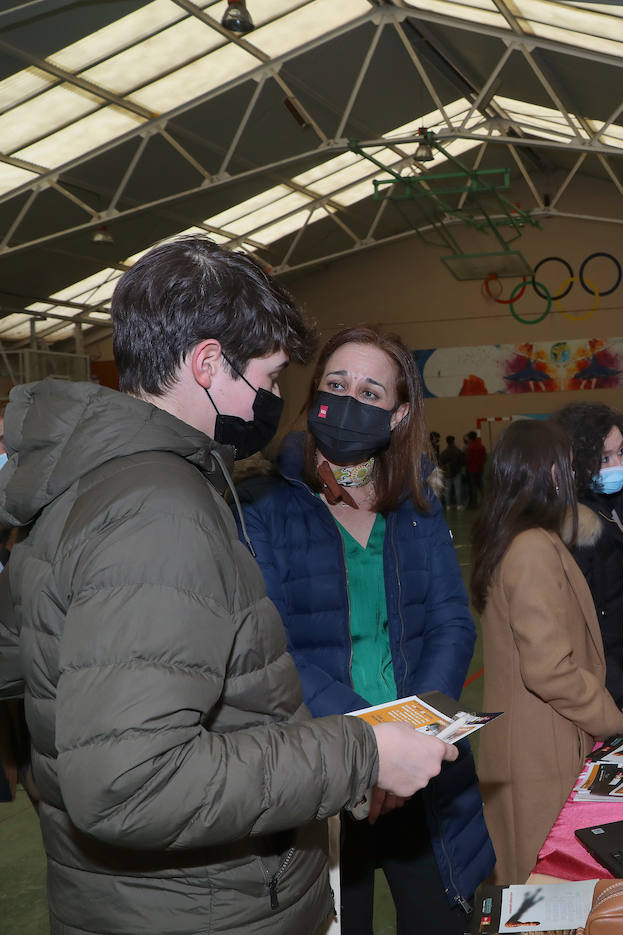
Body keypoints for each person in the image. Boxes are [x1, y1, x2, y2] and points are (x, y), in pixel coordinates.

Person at [0, 237, 456, 934]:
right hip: (202, 904)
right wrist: (363, 750)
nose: (276, 399)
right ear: (210, 364)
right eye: (271, 378)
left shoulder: (95, 483)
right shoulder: (158, 511)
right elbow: (130, 781)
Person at [238, 326, 494, 934]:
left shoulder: (416, 503)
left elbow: (453, 622)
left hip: (424, 769)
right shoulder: (264, 502)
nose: (349, 400)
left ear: (399, 412)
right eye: (336, 384)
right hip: (322, 767)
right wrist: (370, 746)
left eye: (371, 391)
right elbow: (269, 646)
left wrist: (414, 730)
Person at [471, 420, 623, 883]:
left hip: (532, 738)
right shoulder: (531, 547)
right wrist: (612, 721)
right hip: (541, 746)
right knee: (544, 892)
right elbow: (549, 669)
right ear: (550, 475)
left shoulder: (515, 537)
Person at [552, 402, 623, 720]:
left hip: (622, 669)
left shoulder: (618, 507)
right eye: (604, 458)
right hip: (598, 682)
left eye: (620, 453)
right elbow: (580, 626)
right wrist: (620, 688)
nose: (617, 464)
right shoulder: (576, 527)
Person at [439, 433, 465, 508]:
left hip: (447, 473)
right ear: (453, 441)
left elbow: (440, 462)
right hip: (457, 472)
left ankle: (447, 505)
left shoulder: (444, 452)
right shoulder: (458, 451)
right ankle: (459, 504)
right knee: (458, 489)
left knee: (447, 490)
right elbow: (463, 461)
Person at [464, 431, 487, 508]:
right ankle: (485, 502)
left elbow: (468, 459)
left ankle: (474, 503)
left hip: (471, 469)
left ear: (470, 438)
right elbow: (484, 458)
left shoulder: (470, 447)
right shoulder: (481, 446)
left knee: (473, 487)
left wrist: (467, 466)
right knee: (481, 486)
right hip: (480, 469)